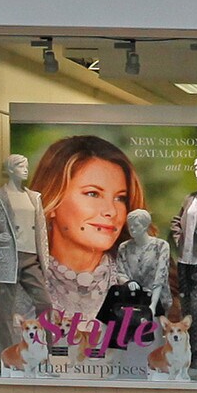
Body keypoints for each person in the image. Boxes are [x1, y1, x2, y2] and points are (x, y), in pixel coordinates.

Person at [32, 134, 141, 335]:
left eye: (120, 198)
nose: (111, 211)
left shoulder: (141, 279)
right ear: (52, 200)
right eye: (93, 194)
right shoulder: (25, 279)